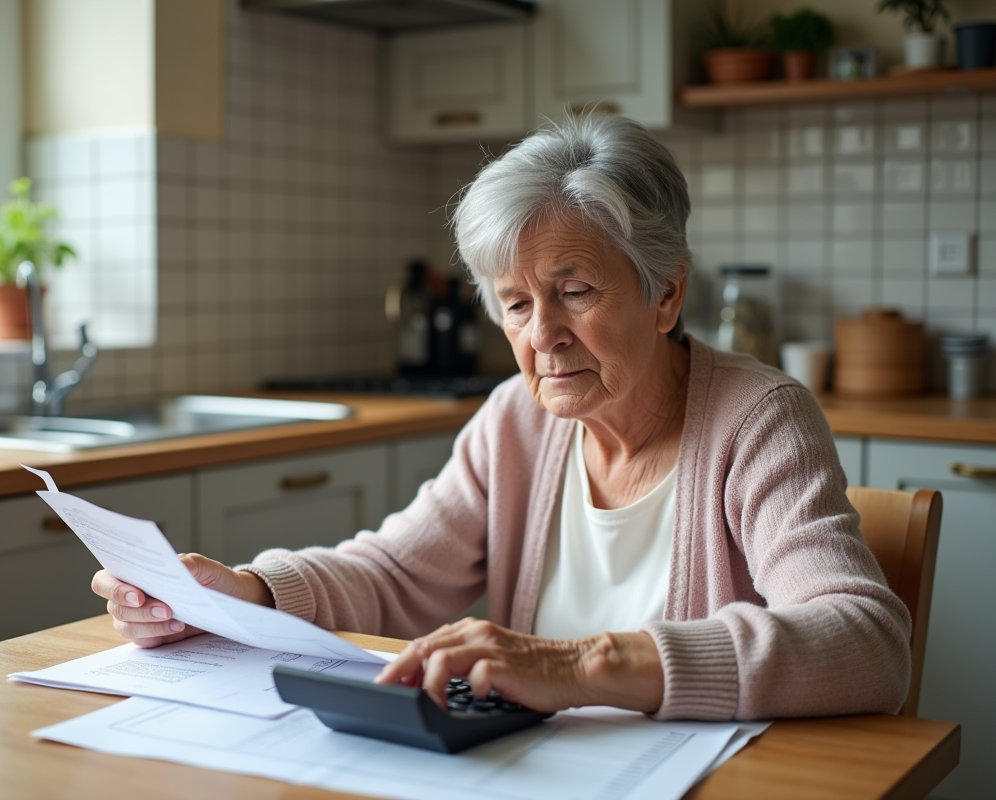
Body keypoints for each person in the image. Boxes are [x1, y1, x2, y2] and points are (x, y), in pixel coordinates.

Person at [92, 114, 911, 721]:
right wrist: (244, 591)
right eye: (516, 304)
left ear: (666, 294)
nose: (542, 335)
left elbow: (867, 641)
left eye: (576, 292)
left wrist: (580, 664)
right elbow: (397, 573)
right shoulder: (513, 419)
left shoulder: (759, 419)